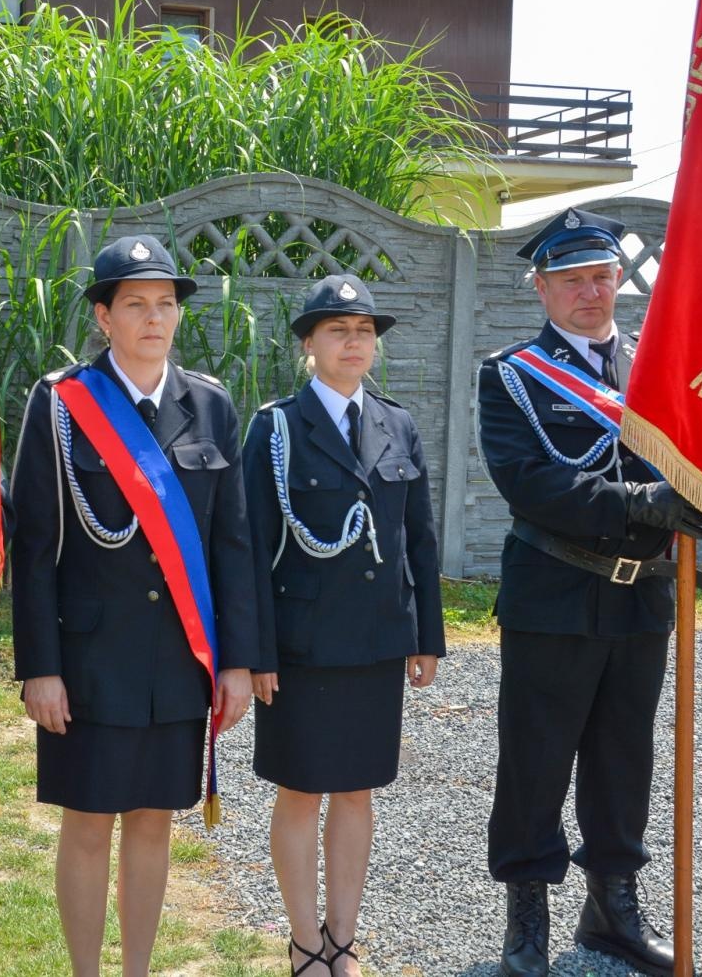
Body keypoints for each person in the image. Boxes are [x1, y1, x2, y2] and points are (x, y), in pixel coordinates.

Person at [9, 234, 257, 976]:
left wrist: (238, 662)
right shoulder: (60, 405)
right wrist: (39, 668)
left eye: (166, 305)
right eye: (136, 305)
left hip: (179, 660)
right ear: (103, 316)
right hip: (88, 661)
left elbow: (232, 544)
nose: (155, 319)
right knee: (88, 825)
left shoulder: (208, 406)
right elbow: (33, 546)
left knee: (153, 822)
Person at [476, 209, 702, 977]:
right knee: (536, 760)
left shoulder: (657, 368)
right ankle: (527, 918)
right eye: (571, 280)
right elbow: (532, 483)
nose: (590, 293)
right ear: (540, 288)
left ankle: (612, 908)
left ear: (621, 281)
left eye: (602, 277)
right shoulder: (510, 374)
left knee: (623, 759)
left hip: (641, 598)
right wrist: (640, 505)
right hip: (555, 592)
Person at [243, 275, 444, 976]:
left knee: (357, 791)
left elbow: (419, 540)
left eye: (364, 331)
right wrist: (256, 650)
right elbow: (251, 550)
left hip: (376, 641)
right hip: (301, 648)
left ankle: (343, 939)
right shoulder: (274, 428)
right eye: (338, 330)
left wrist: (426, 637)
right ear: (308, 345)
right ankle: (303, 942)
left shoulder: (398, 424)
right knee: (300, 791)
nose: (354, 341)